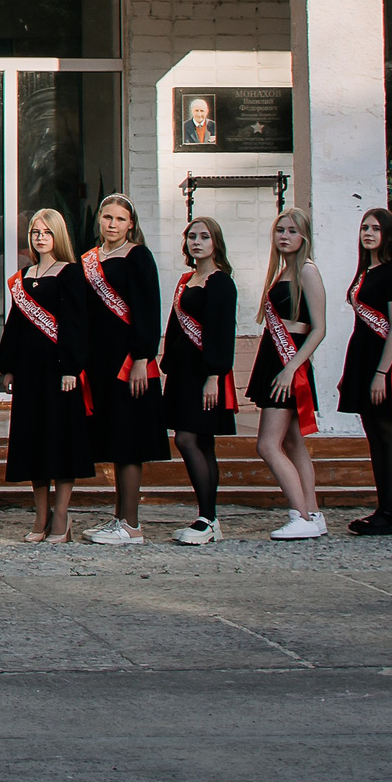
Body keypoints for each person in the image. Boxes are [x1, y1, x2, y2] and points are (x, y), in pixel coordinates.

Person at [78, 194, 167, 547]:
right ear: (99, 220)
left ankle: (131, 524)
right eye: (107, 217)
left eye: (120, 219)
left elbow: (148, 308)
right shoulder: (90, 260)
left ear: (131, 224)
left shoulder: (138, 256)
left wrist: (143, 358)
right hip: (99, 362)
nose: (112, 224)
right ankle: (118, 519)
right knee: (114, 440)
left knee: (129, 442)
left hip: (129, 363)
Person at [0, 208, 92, 544]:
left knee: (60, 442)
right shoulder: (24, 276)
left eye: (46, 232)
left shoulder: (70, 273)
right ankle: (40, 515)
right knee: (33, 443)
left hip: (58, 372)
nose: (40, 237)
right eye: (35, 232)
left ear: (58, 235)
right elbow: (15, 325)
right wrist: (8, 366)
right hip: (29, 372)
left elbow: (77, 323)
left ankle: (62, 515)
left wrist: (71, 366)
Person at [251, 207, 331, 541]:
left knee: (267, 445)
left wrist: (290, 369)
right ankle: (311, 512)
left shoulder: (307, 271)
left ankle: (300, 515)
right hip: (275, 359)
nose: (284, 236)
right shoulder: (283, 271)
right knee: (294, 442)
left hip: (288, 364)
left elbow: (319, 329)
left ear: (305, 237)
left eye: (292, 231)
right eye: (280, 230)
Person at [162, 215, 239, 546]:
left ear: (215, 243)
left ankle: (207, 517)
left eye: (204, 237)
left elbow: (223, 331)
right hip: (182, 372)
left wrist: (214, 376)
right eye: (192, 236)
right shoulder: (186, 280)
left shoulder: (221, 282)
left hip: (204, 374)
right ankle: (209, 518)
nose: (197, 242)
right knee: (199, 442)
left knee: (189, 439)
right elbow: (174, 325)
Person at [343, 206, 392, 536]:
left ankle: (391, 512)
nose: (369, 233)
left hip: (383, 363)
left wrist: (382, 373)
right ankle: (380, 508)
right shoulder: (364, 272)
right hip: (361, 357)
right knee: (373, 435)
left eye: (376, 228)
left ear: (387, 234)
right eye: (364, 228)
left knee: (388, 432)